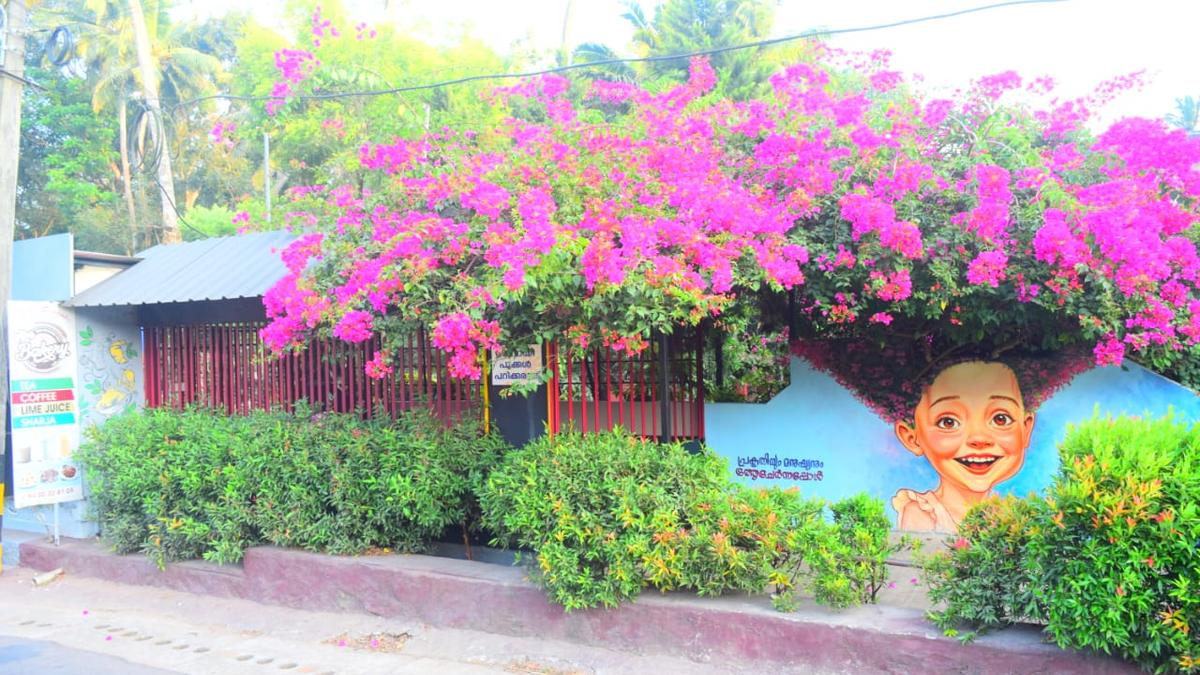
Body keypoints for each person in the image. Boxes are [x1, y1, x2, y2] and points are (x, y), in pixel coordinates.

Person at [890, 360, 1036, 532]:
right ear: (912, 438)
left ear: (1025, 430)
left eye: (1000, 419)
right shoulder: (922, 514)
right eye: (948, 422)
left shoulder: (1011, 515)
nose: (979, 438)